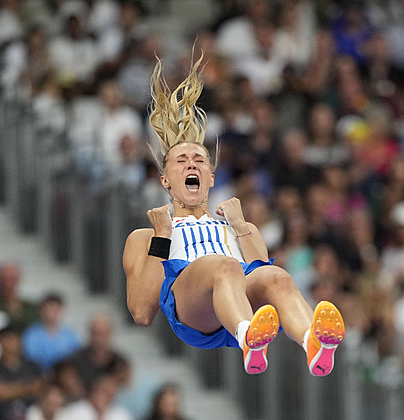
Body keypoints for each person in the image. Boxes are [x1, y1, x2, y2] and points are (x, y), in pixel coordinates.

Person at [121, 51, 345, 376]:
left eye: (199, 160)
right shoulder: (146, 235)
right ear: (166, 180)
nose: (192, 164)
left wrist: (241, 227)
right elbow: (142, 311)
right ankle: (248, 337)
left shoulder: (237, 225)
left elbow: (258, 275)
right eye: (181, 161)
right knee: (223, 266)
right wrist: (162, 237)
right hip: (190, 302)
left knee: (278, 277)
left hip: (239, 296)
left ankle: (313, 342)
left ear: (211, 178)